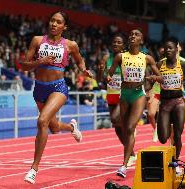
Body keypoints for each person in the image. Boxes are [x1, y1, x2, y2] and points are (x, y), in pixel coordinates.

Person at [21, 11, 93, 184]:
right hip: (39, 89)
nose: (54, 24)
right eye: (52, 20)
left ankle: (34, 168)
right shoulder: (38, 40)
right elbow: (24, 65)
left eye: (58, 22)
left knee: (42, 121)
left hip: (58, 88)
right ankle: (71, 127)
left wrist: (83, 70)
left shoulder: (70, 45)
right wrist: (40, 62)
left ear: (64, 26)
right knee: (53, 127)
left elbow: (79, 60)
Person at [108, 29, 163, 178]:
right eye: (131, 34)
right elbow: (110, 73)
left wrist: (152, 78)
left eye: (137, 34)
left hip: (139, 94)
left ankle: (123, 166)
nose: (133, 36)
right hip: (124, 94)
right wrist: (106, 76)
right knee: (126, 130)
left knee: (131, 127)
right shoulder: (120, 56)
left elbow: (160, 77)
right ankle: (131, 153)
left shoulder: (147, 58)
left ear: (141, 41)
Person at [157, 37, 185, 174]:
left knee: (177, 134)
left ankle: (175, 162)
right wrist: (148, 85)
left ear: (176, 49)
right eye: (166, 48)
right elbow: (151, 82)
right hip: (164, 103)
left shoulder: (183, 65)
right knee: (163, 138)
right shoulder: (159, 65)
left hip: (178, 102)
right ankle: (163, 125)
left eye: (171, 48)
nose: (168, 50)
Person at [97, 34, 136, 165]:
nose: (115, 44)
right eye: (114, 42)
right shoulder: (106, 58)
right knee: (117, 128)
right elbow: (100, 81)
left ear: (123, 45)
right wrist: (100, 71)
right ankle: (131, 152)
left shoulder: (126, 58)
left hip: (123, 95)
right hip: (111, 95)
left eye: (119, 42)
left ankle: (130, 143)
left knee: (115, 119)